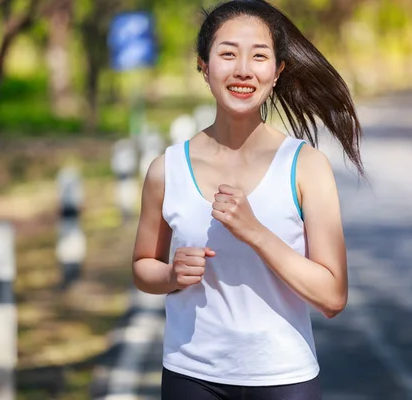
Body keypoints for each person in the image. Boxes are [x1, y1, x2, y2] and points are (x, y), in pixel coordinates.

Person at [132, 1, 363, 398]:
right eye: (227, 54)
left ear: (277, 71)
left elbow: (333, 296)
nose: (243, 69)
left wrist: (255, 232)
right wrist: (170, 276)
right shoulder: (166, 169)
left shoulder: (306, 166)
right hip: (191, 376)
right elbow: (141, 267)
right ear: (203, 66)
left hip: (285, 378)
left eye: (259, 56)